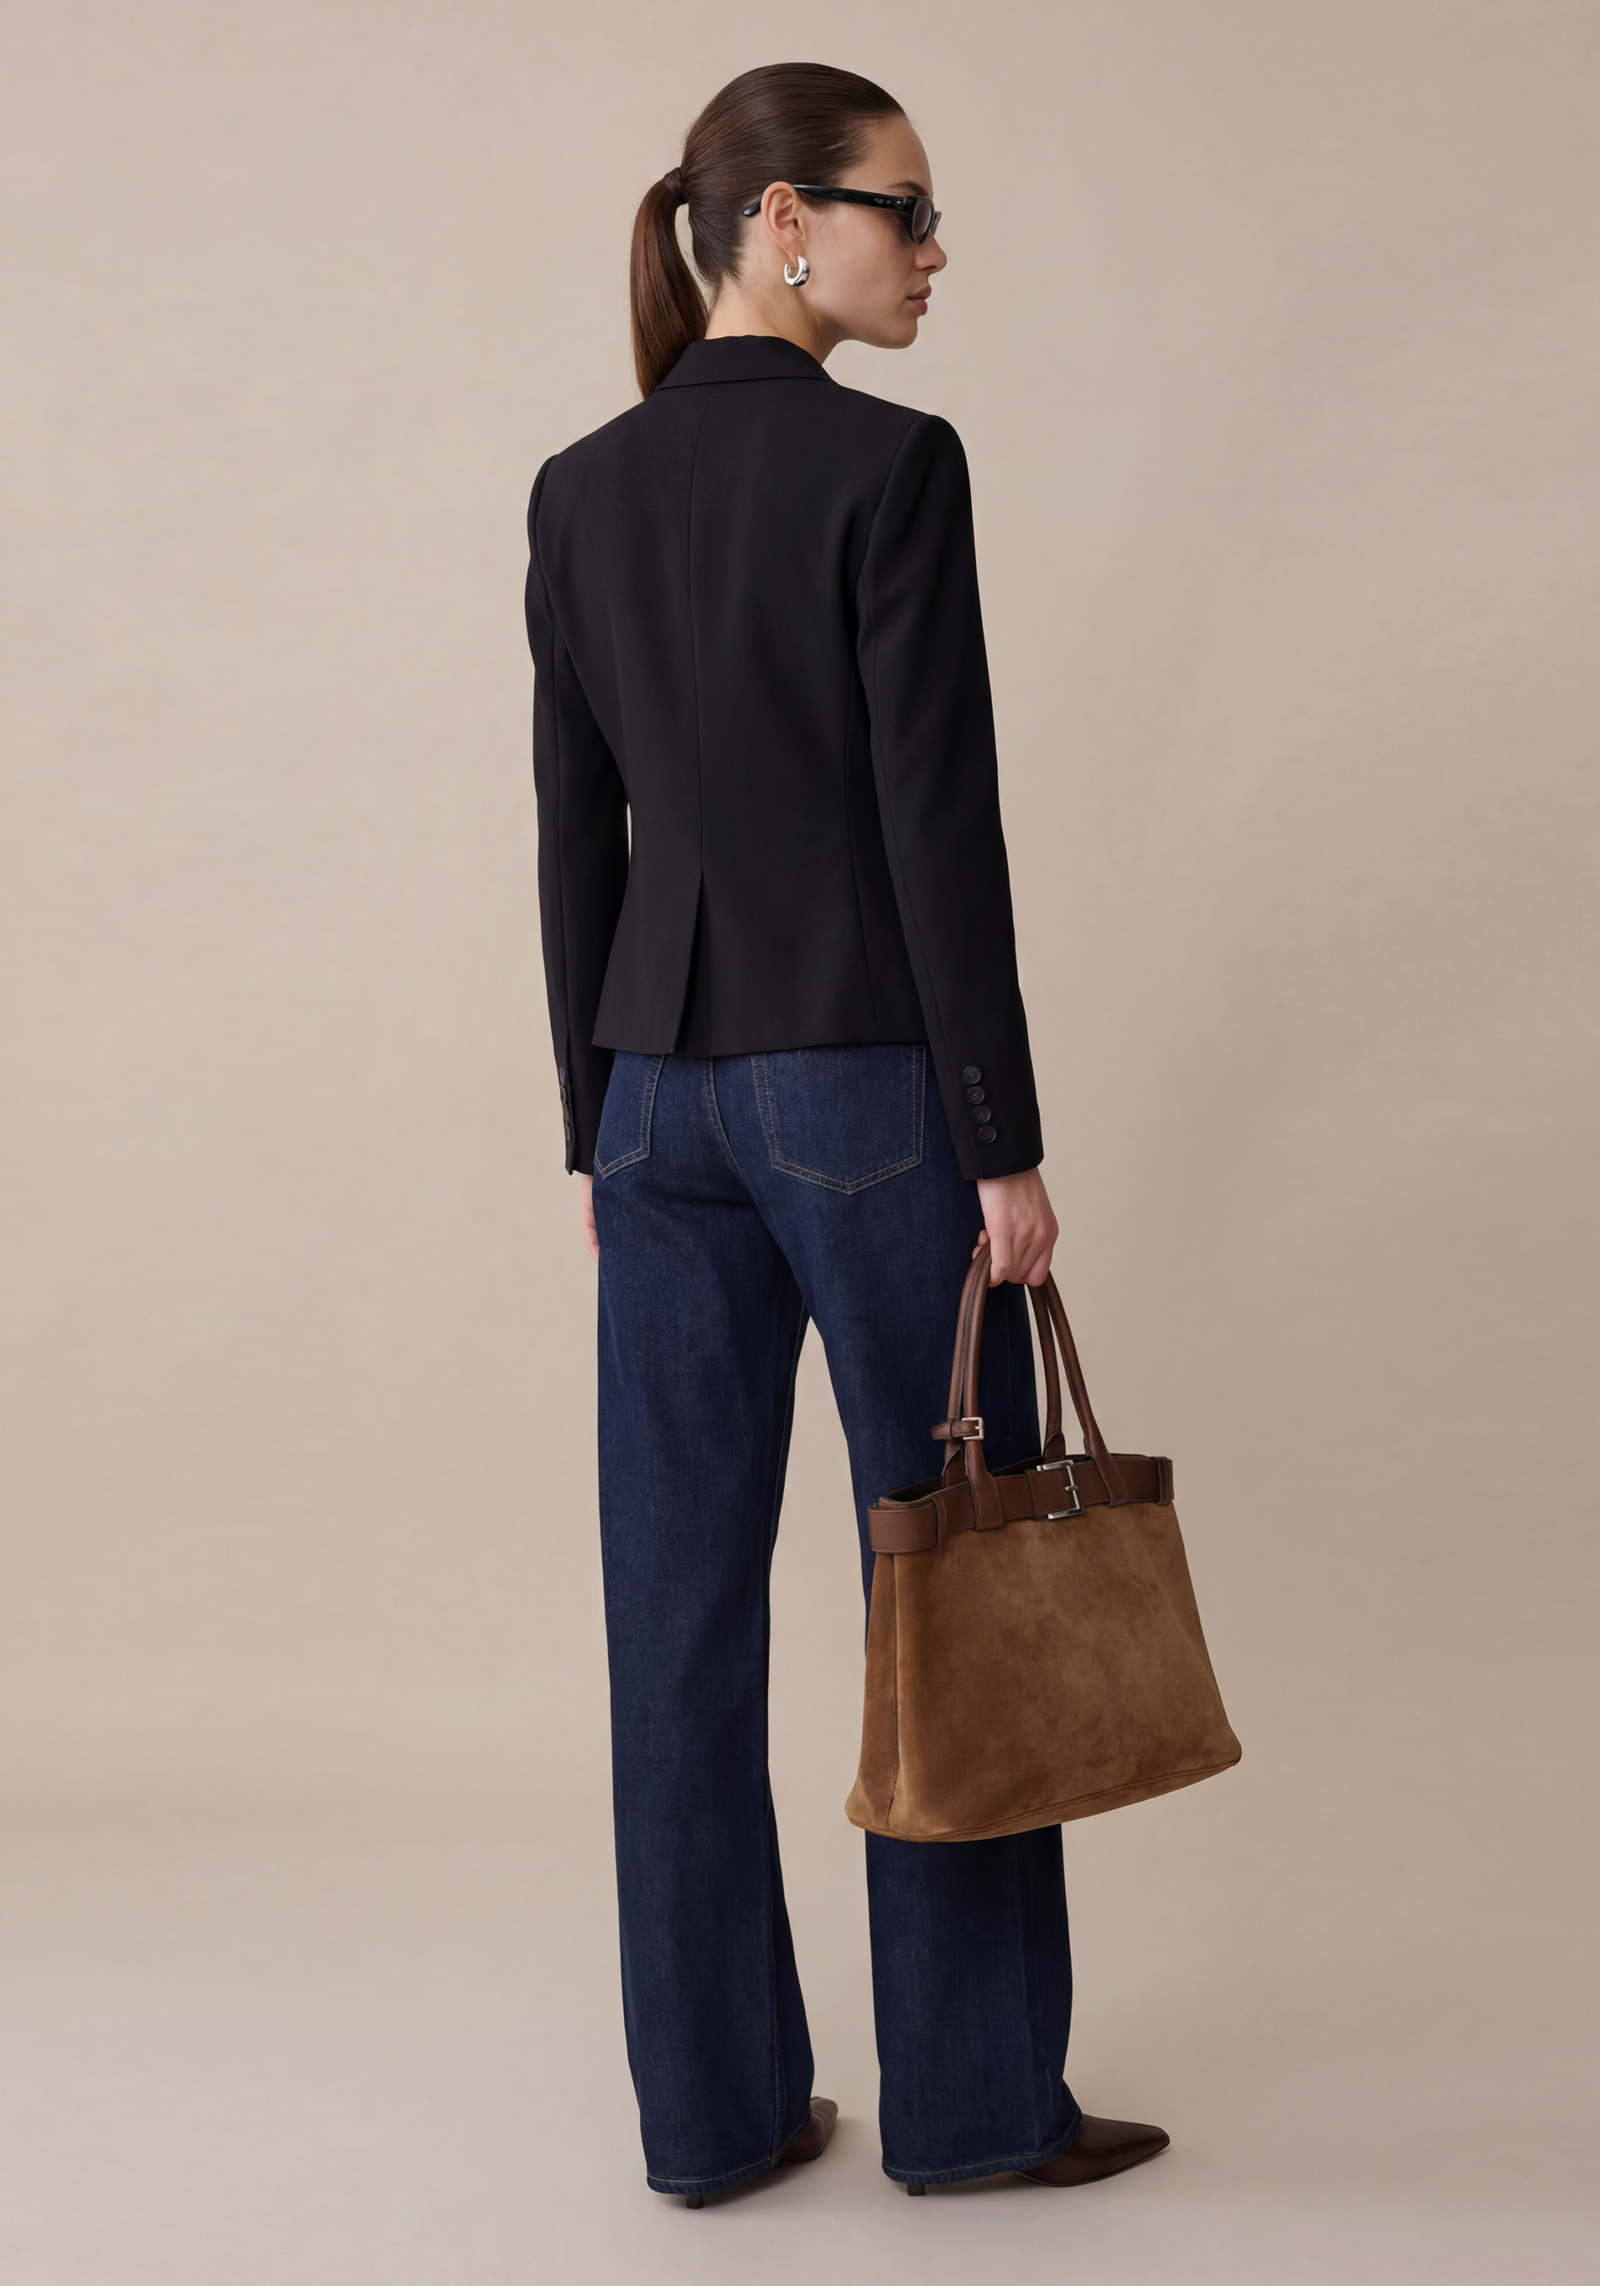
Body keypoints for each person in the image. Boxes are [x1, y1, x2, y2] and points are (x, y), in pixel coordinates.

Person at [524, 60, 1169, 2206]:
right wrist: (1002, 1137)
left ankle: (711, 2121)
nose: (932, 249)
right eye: (905, 208)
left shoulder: (579, 489)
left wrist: (591, 1131)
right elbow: (934, 829)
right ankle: (973, 2110)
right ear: (782, 223)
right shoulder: (891, 465)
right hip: (867, 1096)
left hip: (655, 1107)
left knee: (673, 1630)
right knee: (952, 1592)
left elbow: (574, 844)